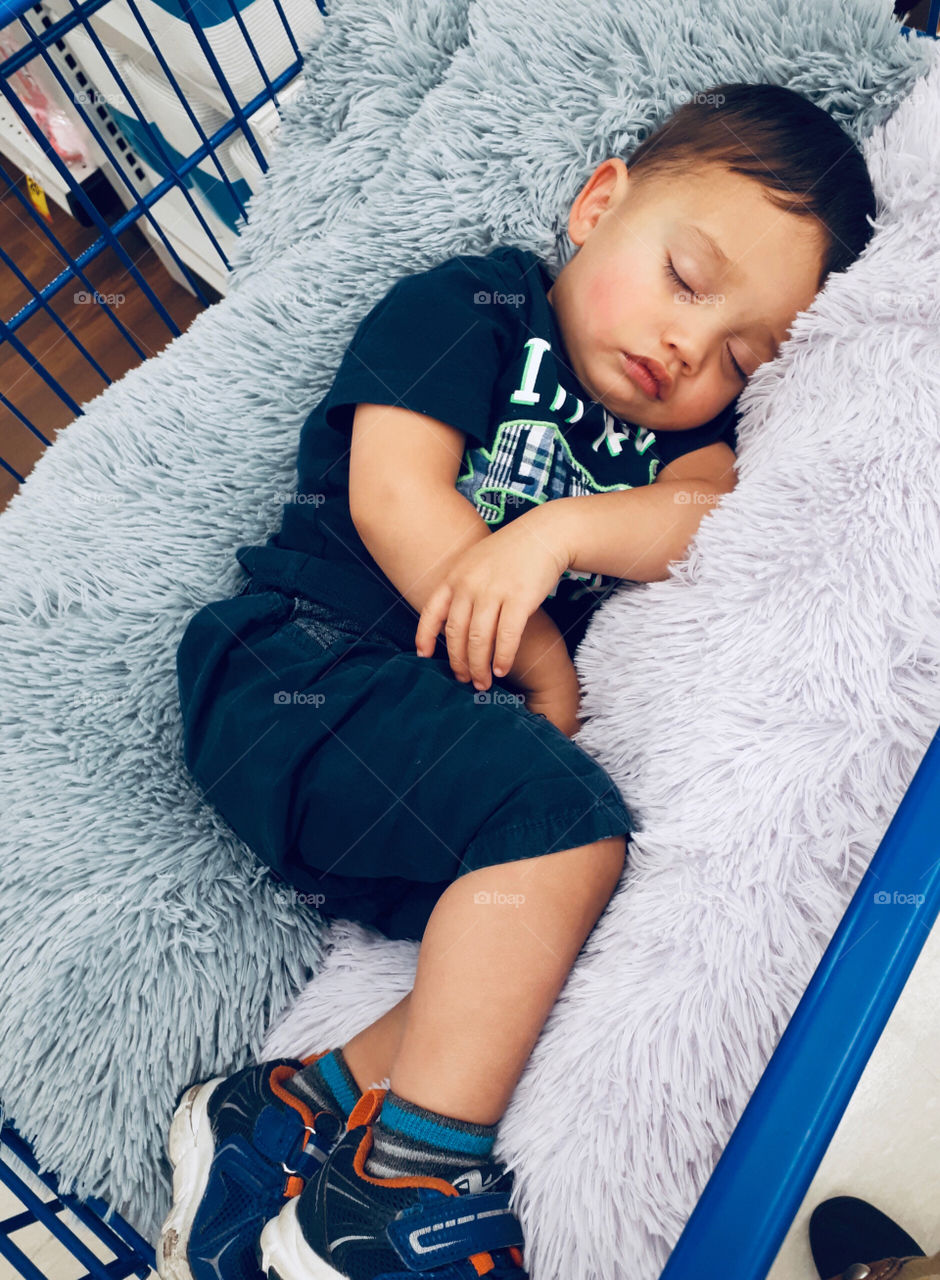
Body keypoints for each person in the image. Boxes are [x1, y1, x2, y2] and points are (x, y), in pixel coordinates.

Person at [163, 83, 876, 1280]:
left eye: (738, 354)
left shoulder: (675, 445)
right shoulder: (478, 306)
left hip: (410, 779)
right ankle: (405, 1187)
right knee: (563, 829)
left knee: (536, 917)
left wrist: (559, 535)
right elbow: (394, 494)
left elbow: (706, 514)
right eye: (685, 283)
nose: (686, 350)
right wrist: (535, 637)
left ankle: (282, 1114)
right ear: (598, 205)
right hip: (292, 669)